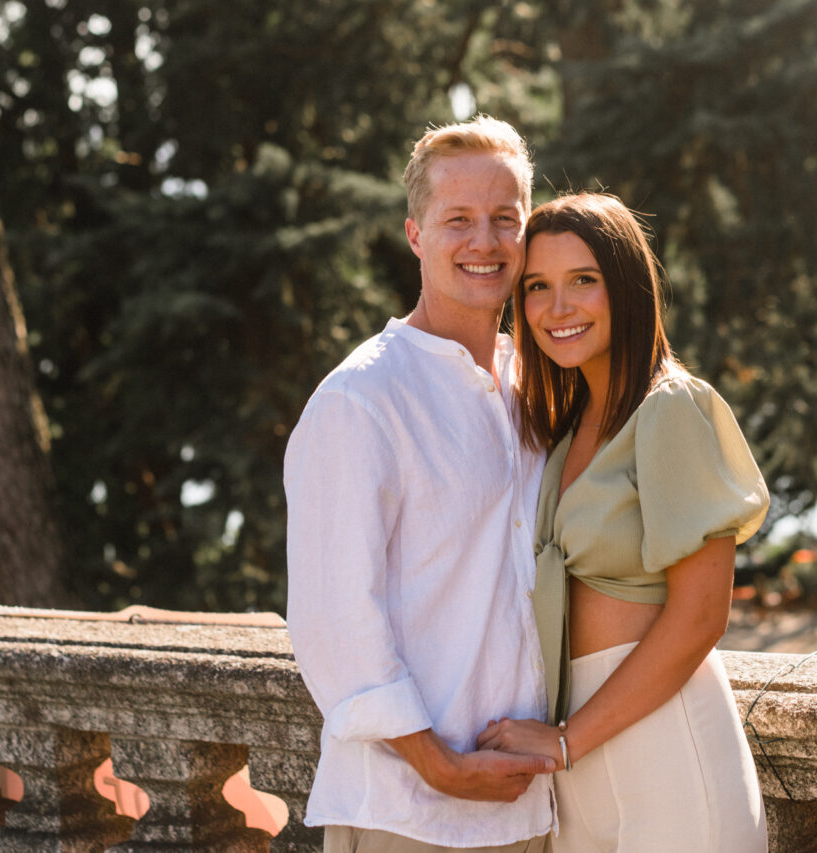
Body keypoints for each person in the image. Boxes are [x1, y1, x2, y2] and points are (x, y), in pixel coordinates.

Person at [283, 116, 556, 853]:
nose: (485, 242)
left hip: (533, 808)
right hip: (410, 813)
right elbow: (333, 615)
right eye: (458, 220)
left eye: (506, 219)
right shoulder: (361, 399)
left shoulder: (534, 389)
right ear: (415, 233)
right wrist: (442, 767)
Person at [478, 192, 770, 851]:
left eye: (584, 280)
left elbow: (701, 615)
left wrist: (565, 740)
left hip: (665, 750)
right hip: (582, 763)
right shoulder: (568, 431)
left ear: (628, 286)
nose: (558, 308)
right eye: (537, 287)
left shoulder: (668, 409)